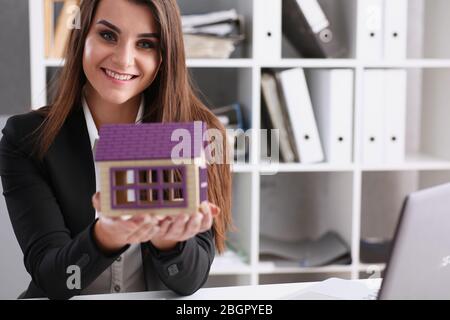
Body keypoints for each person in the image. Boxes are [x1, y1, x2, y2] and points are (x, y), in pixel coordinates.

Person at [0, 0, 232, 300]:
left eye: (146, 44)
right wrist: (105, 237)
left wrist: (169, 242)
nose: (124, 60)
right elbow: (54, 281)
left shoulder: (199, 133)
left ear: (164, 56)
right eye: (108, 35)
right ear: (81, 37)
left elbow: (189, 282)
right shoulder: (27, 138)